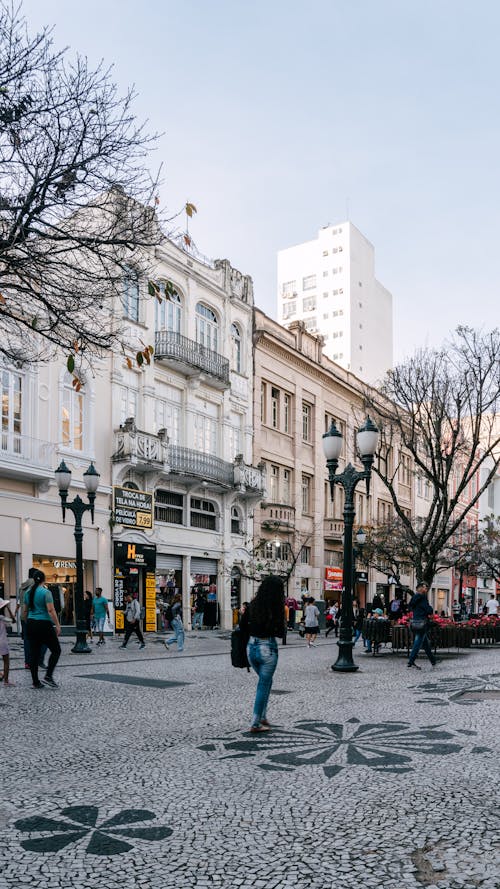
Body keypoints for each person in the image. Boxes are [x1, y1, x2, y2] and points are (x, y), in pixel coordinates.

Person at [239, 575, 284, 733]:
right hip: (267, 648)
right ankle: (255, 722)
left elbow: (242, 625)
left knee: (266, 682)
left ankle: (263, 716)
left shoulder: (253, 605)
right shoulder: (276, 607)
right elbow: (280, 632)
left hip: (251, 648)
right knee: (263, 685)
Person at [22, 570, 61, 688]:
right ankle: (48, 676)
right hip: (43, 624)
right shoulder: (46, 592)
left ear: (33, 579)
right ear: (44, 579)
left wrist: (26, 623)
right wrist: (57, 625)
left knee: (34, 653)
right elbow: (51, 610)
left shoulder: (27, 593)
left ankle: (35, 682)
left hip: (31, 623)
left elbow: (25, 611)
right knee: (56, 650)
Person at [407, 581, 438, 670]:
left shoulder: (414, 598)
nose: (426, 589)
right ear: (420, 588)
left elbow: (411, 607)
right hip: (422, 623)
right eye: (425, 587)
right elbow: (428, 609)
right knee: (417, 642)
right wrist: (430, 609)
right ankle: (411, 661)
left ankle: (433, 661)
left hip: (415, 622)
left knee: (425, 644)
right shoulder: (423, 597)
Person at [0, 597, 16, 686]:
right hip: (2, 642)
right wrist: (8, 608)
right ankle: (6, 681)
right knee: (6, 661)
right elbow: (14, 621)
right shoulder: (2, 618)